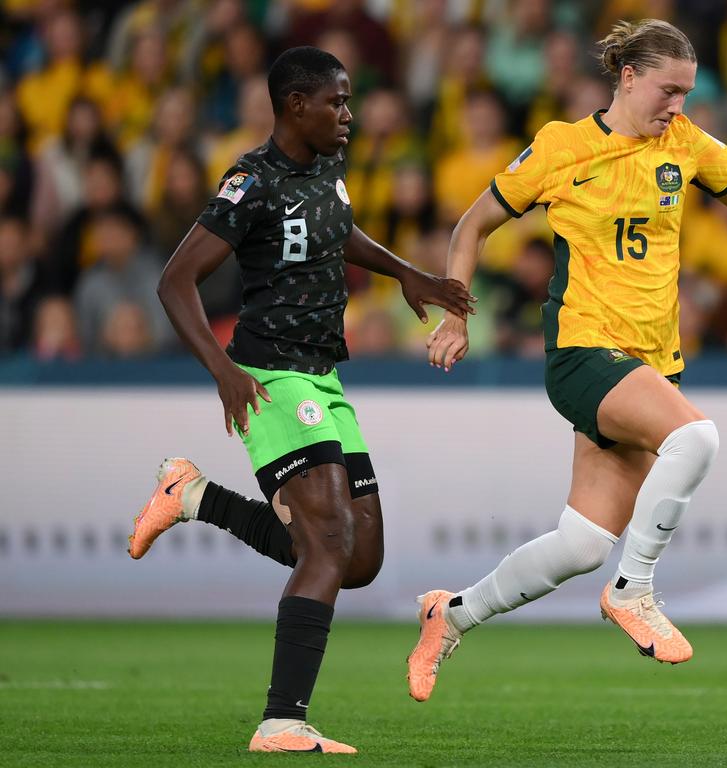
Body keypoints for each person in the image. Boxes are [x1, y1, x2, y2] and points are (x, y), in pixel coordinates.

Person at [406, 19, 727, 702]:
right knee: (696, 437)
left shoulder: (685, 144)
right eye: (668, 90)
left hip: (650, 363)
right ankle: (635, 590)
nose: (677, 105)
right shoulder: (564, 148)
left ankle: (451, 615)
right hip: (583, 350)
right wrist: (456, 311)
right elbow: (474, 224)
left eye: (686, 93)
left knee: (581, 543)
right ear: (627, 77)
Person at [127, 47, 473, 753]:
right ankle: (282, 720)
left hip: (323, 375)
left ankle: (193, 496)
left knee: (360, 555)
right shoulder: (249, 181)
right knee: (327, 545)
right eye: (337, 102)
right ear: (295, 106)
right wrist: (225, 370)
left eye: (347, 102)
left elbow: (337, 230)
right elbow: (174, 281)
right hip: (272, 376)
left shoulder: (325, 167)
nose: (348, 114)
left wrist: (410, 274)